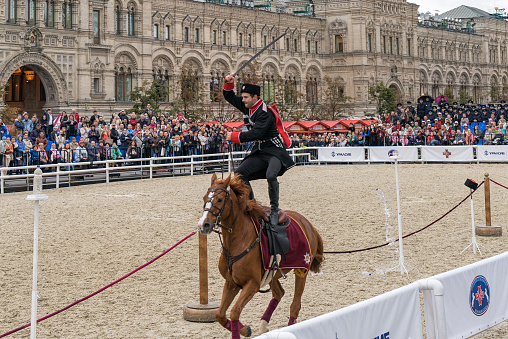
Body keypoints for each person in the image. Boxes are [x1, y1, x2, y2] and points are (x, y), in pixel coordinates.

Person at [223, 74, 294, 229]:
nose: (243, 100)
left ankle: (274, 210)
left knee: (271, 175)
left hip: (274, 150)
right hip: (260, 150)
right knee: (240, 175)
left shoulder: (264, 112)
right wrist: (228, 83)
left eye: (246, 97)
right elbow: (228, 96)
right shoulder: (247, 106)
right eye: (242, 97)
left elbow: (256, 134)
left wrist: (233, 136)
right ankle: (252, 206)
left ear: (255, 97)